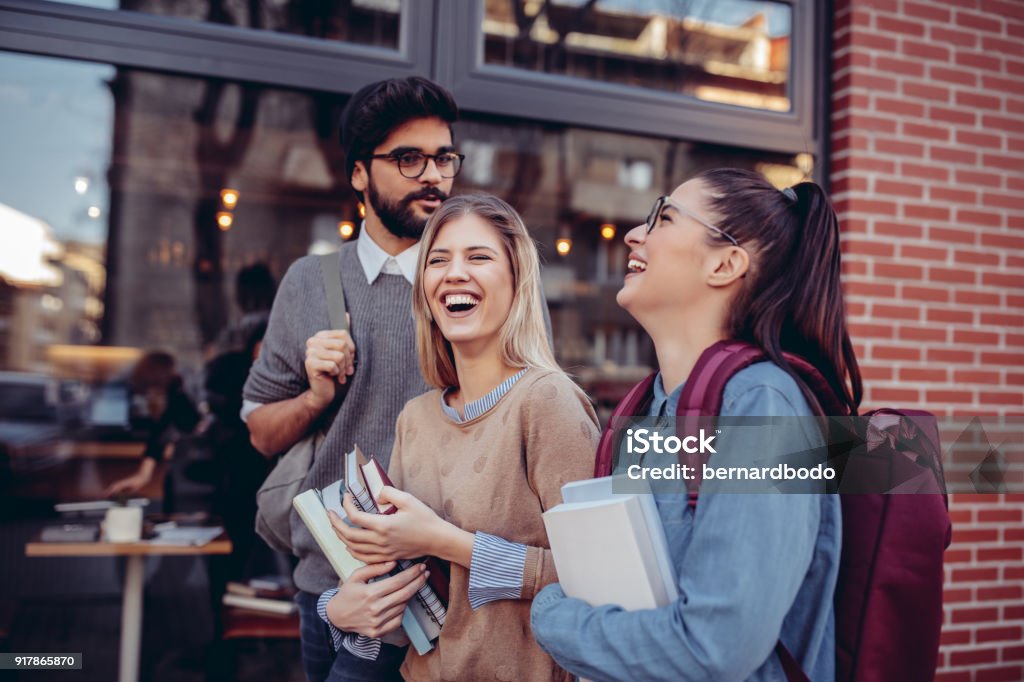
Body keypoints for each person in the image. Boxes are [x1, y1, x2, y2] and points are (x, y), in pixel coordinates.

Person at [530, 168, 863, 681]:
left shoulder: (762, 405)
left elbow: (713, 647)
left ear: (725, 264)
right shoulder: (646, 409)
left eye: (664, 218)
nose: (633, 234)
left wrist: (555, 617)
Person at [325, 194, 600, 681]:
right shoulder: (416, 418)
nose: (454, 273)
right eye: (438, 260)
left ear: (517, 281)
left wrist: (446, 541)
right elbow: (411, 593)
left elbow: (596, 579)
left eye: (478, 257)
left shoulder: (548, 402)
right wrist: (344, 607)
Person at [241, 76, 461, 682]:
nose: (433, 177)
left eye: (443, 158)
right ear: (360, 173)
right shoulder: (309, 283)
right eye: (408, 159)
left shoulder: (479, 282)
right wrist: (316, 395)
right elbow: (261, 433)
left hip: (444, 583)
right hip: (329, 585)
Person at [104, 350, 201, 498]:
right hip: (189, 474)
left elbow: (162, 431)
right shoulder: (177, 395)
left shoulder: (177, 397)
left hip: (192, 477)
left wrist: (144, 474)